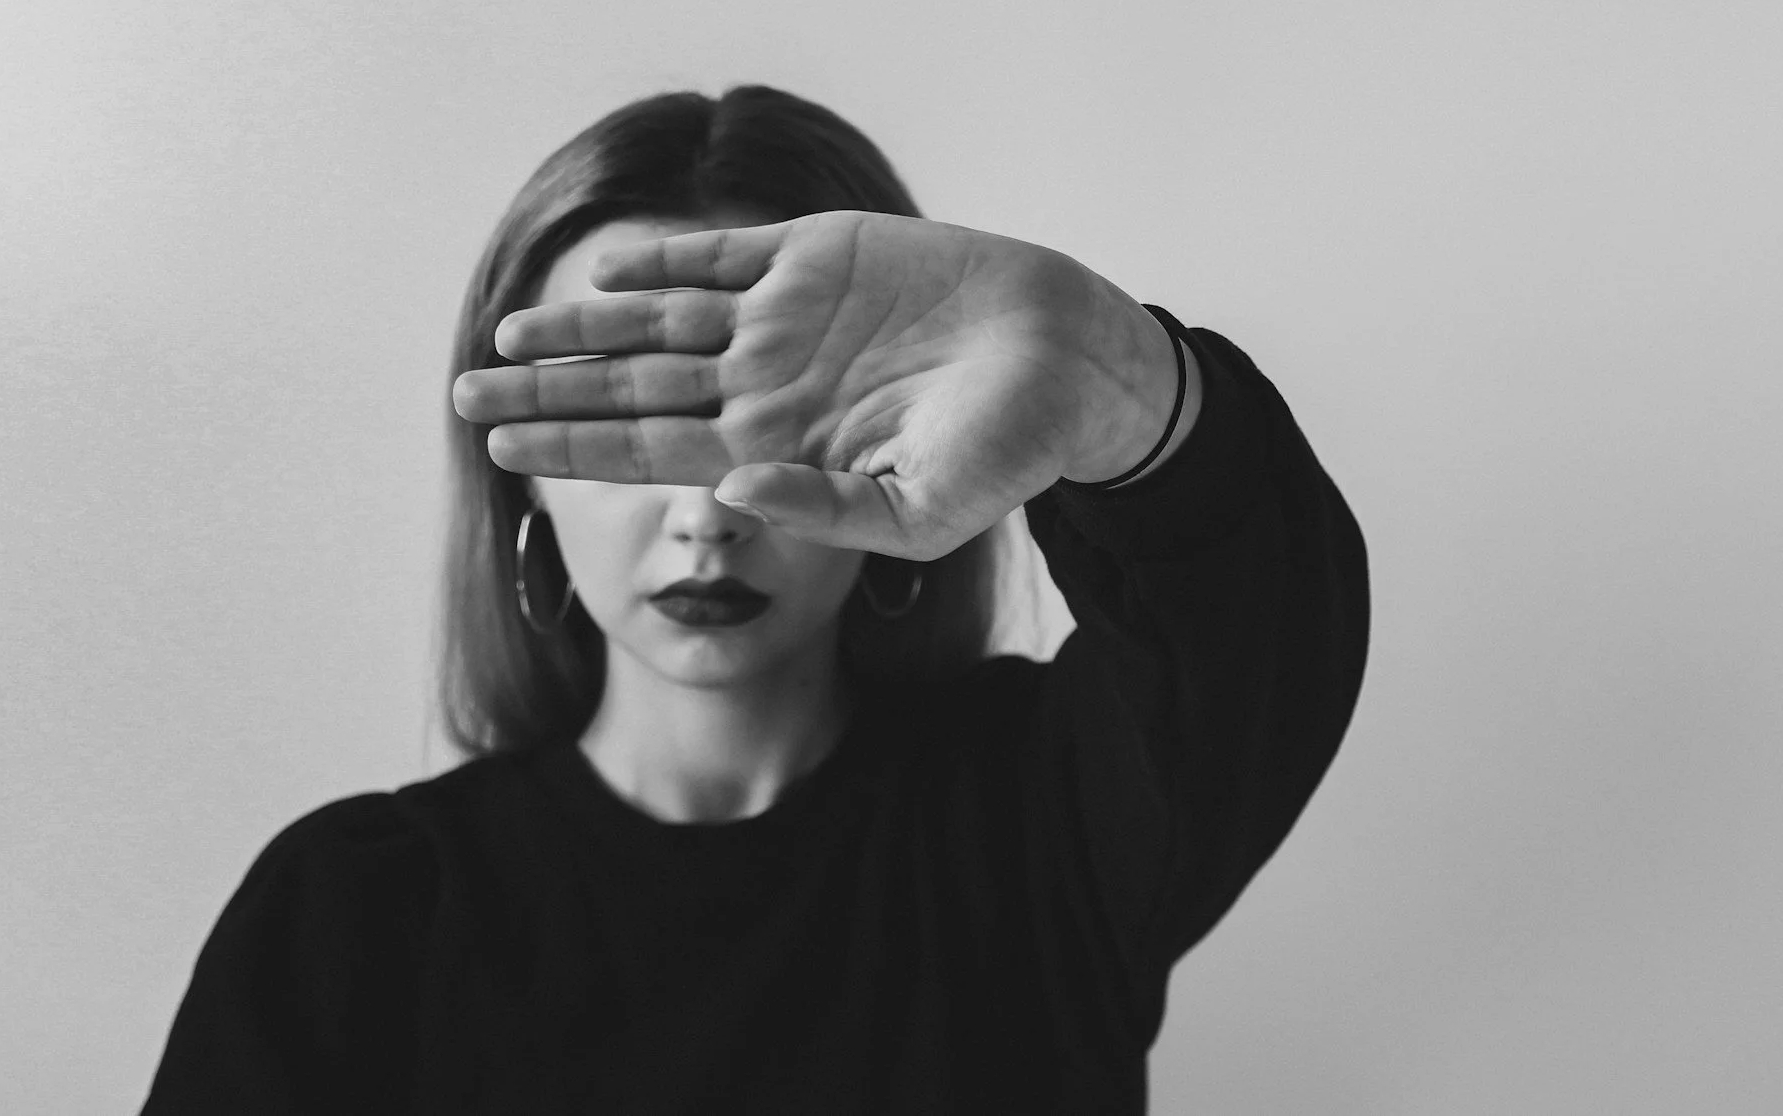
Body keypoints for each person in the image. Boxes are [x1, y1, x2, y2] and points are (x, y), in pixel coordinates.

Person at [141, 85, 1370, 1114]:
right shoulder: (354, 916)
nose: (707, 508)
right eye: (638, 415)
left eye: (773, 412)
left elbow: (1257, 620)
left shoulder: (1038, 819)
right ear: (519, 477)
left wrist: (1108, 371)